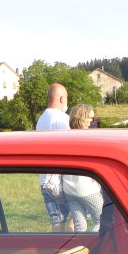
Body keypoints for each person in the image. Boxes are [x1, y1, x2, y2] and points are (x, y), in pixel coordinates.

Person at [62, 105, 103, 232]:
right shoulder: (87, 139)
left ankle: (80, 244)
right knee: (101, 221)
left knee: (80, 226)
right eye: (91, 118)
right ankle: (94, 245)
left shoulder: (63, 137)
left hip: (69, 189)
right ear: (82, 118)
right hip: (87, 188)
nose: (93, 121)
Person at [35, 83, 70, 231]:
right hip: (61, 181)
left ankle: (57, 244)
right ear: (62, 99)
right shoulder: (64, 119)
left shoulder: (41, 120)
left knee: (56, 222)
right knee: (75, 217)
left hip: (45, 180)